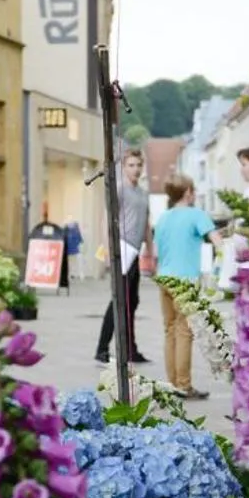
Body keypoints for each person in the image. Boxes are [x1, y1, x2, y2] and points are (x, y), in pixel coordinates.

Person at [153, 176, 217, 397]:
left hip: (164, 278)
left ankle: (172, 383)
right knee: (184, 331)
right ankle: (183, 385)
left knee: (169, 330)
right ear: (188, 192)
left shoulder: (163, 218)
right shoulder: (196, 215)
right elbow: (217, 240)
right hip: (185, 280)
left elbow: (155, 250)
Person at [96, 149, 150, 365]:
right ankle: (102, 348)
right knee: (119, 299)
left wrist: (151, 250)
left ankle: (130, 349)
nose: (135, 169)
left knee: (133, 301)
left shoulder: (143, 193)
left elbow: (146, 223)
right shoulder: (119, 189)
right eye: (131, 165)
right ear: (124, 167)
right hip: (121, 249)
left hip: (135, 252)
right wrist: (108, 248)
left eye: (138, 165)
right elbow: (106, 219)